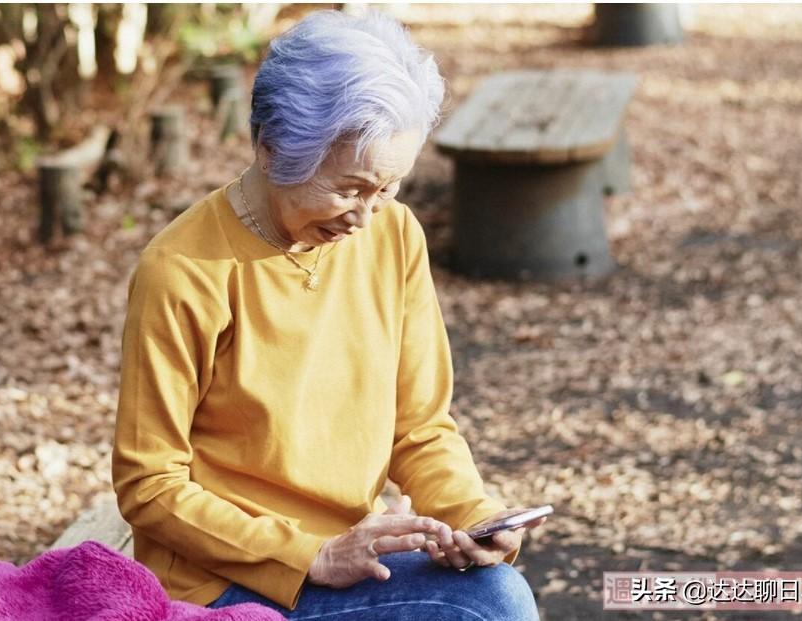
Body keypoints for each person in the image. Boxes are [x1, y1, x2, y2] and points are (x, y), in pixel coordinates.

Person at [112, 9, 545, 620]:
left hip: (351, 558)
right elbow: (148, 484)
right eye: (349, 189)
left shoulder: (393, 235)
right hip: (221, 578)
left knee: (492, 593)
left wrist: (470, 515)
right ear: (270, 149)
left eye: (387, 188)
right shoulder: (182, 269)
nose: (367, 216)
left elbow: (419, 425)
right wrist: (308, 555)